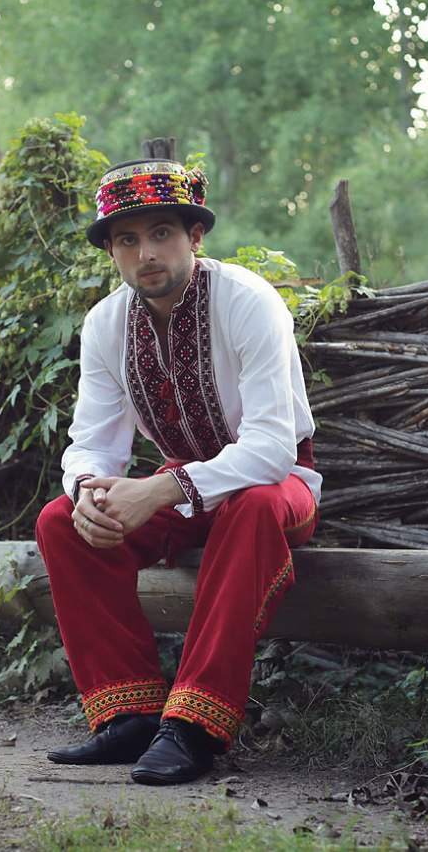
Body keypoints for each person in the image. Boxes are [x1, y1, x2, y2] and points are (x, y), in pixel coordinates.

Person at [35, 158, 321, 785]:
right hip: (184, 490)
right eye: (127, 240)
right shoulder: (105, 324)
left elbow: (273, 447)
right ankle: (130, 716)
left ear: (195, 236)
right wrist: (87, 491)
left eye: (161, 233)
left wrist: (162, 488)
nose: (146, 254)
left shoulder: (248, 302)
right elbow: (91, 444)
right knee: (62, 522)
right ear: (111, 251)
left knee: (251, 506)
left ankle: (195, 726)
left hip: (278, 486)